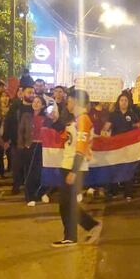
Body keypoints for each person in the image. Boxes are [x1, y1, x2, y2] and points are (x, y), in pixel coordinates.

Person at [52, 90, 101, 247]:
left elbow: (80, 147)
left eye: (69, 100)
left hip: (74, 166)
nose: (67, 103)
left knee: (66, 204)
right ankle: (78, 232)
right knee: (68, 203)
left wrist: (73, 171)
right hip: (68, 165)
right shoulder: (76, 120)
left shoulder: (83, 120)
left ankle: (79, 232)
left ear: (75, 100)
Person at [105, 93, 140, 201]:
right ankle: (113, 191)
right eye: (121, 100)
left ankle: (128, 192)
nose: (123, 102)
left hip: (129, 146)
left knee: (128, 168)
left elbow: (138, 126)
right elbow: (106, 127)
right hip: (116, 146)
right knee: (115, 168)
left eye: (125, 100)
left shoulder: (132, 114)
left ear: (128, 102)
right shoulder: (113, 114)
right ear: (118, 102)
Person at [18, 95, 50, 206]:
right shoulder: (26, 116)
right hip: (30, 146)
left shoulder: (46, 118)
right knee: (30, 172)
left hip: (43, 147)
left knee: (41, 171)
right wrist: (22, 146)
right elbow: (21, 132)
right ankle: (29, 196)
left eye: (38, 102)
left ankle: (41, 193)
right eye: (34, 101)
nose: (35, 103)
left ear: (43, 105)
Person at [3, 84, 35, 194]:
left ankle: (29, 185)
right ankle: (16, 185)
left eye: (33, 93)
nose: (31, 95)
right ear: (23, 94)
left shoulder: (36, 107)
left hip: (32, 142)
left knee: (30, 165)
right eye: (29, 92)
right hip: (17, 141)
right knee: (16, 165)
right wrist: (6, 139)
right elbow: (8, 122)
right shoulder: (16, 107)